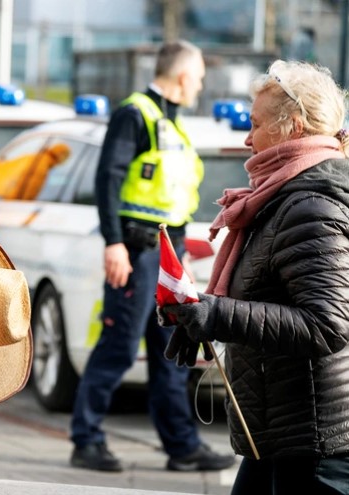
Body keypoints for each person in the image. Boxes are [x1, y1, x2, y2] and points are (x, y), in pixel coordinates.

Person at [161, 60, 349, 494]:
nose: (247, 138)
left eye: (256, 124)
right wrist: (199, 316)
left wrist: (219, 314)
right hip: (283, 434)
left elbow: (326, 324)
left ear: (293, 128)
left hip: (317, 443)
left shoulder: (311, 207)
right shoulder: (281, 199)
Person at [69, 39, 235, 473]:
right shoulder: (135, 113)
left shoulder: (169, 121)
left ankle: (182, 447)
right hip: (136, 248)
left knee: (170, 351)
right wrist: (113, 242)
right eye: (198, 77)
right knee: (119, 347)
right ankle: (86, 440)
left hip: (167, 252)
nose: (200, 85)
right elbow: (109, 178)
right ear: (183, 77)